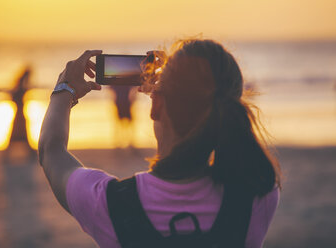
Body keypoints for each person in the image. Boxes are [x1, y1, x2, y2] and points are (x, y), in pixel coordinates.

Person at [38, 39, 281, 248]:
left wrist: (65, 88)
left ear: (156, 106)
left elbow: (51, 151)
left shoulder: (109, 204)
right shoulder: (258, 196)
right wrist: (165, 91)